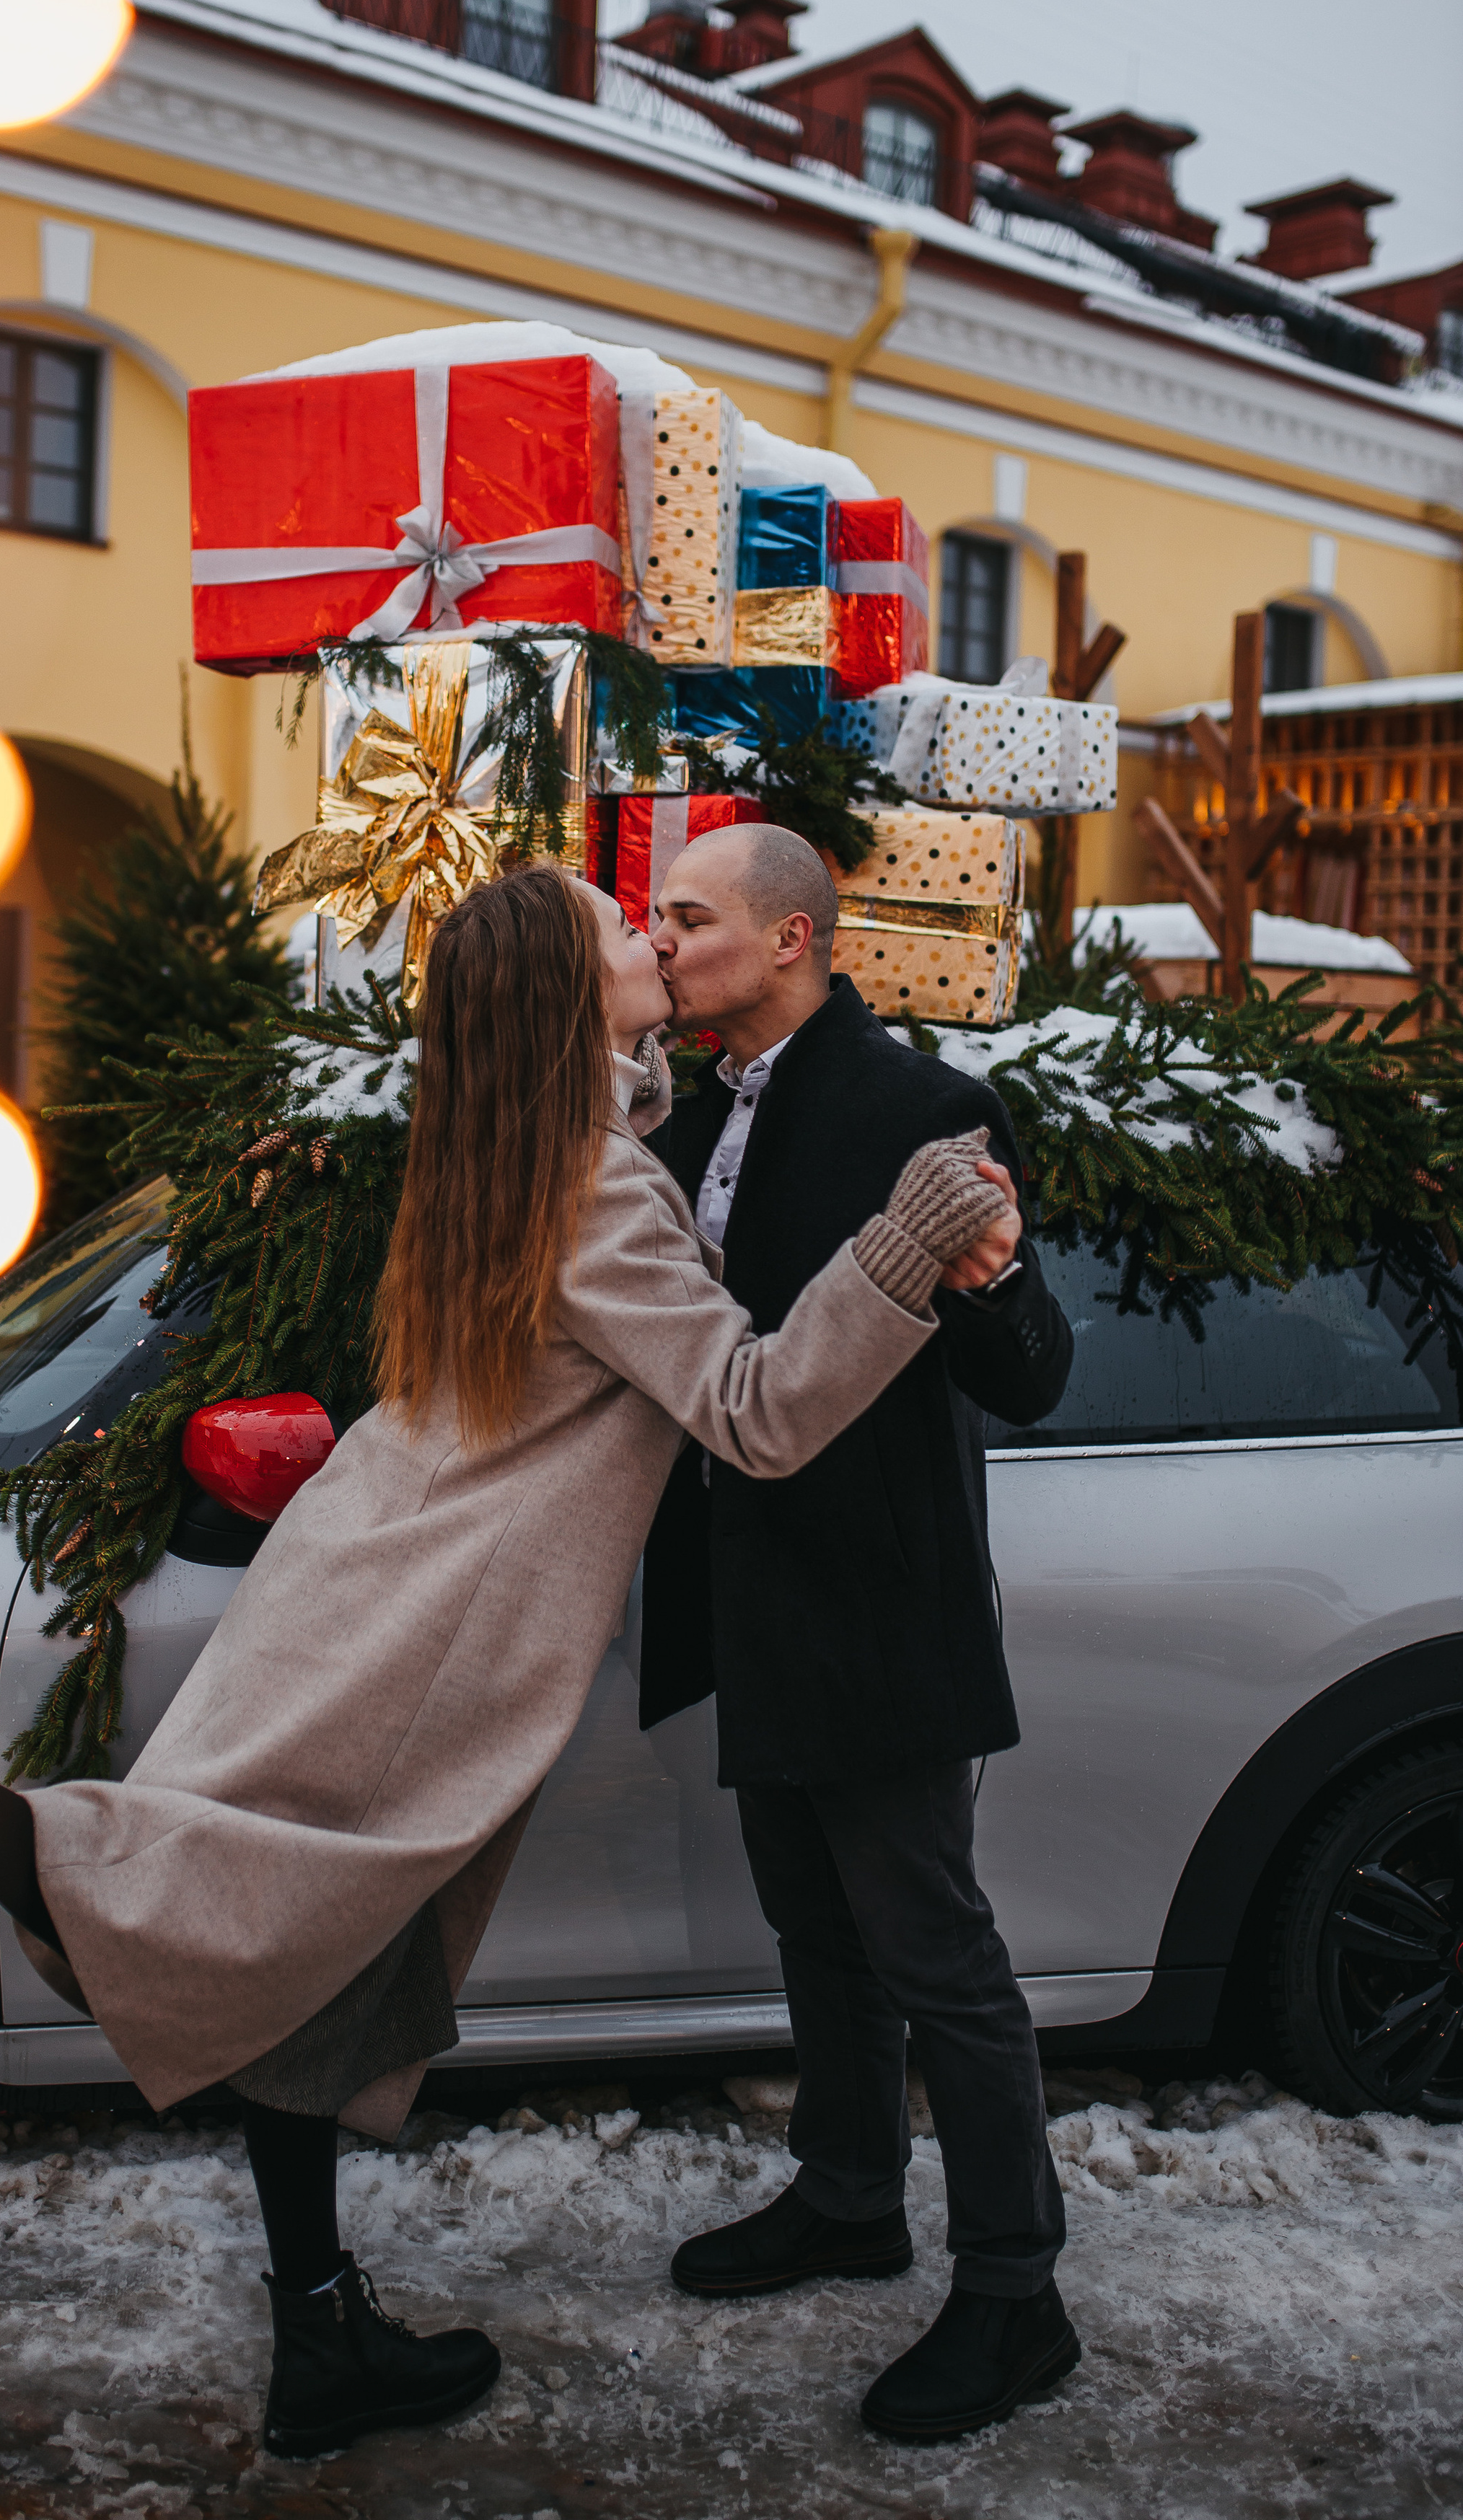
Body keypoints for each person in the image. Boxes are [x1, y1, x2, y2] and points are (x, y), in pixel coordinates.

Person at [0, 861, 1024, 2462]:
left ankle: (320, 2333)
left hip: (366, 1583)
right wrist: (896, 1252)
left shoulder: (505, 1153)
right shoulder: (601, 1187)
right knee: (243, 1914)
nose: (649, 938)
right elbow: (755, 1413)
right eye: (621, 932)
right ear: (570, 1000)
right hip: (433, 1632)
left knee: (304, 1946)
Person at [642, 821, 1078, 2449]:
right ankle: (846, 2196)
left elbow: (1027, 1379)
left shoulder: (922, 1115)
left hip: (881, 1614)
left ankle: (1014, 2293)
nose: (664, 940)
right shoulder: (689, 1119)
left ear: (792, 940)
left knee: (935, 1957)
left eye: (690, 919)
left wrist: (1002, 1272)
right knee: (813, 1933)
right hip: (752, 1602)